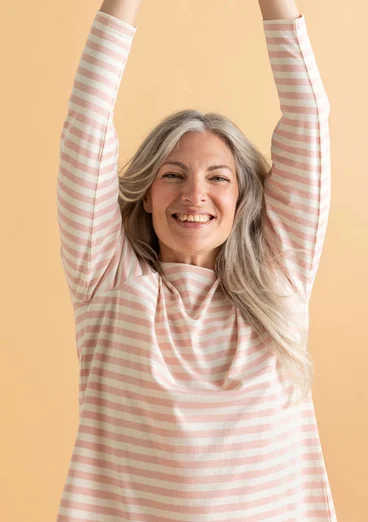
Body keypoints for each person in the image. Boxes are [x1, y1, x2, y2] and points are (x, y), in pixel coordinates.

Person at [56, 0, 337, 520]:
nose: (194, 195)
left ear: (243, 198)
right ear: (145, 192)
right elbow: (86, 121)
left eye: (218, 177)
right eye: (173, 174)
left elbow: (309, 118)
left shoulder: (282, 277)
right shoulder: (108, 282)